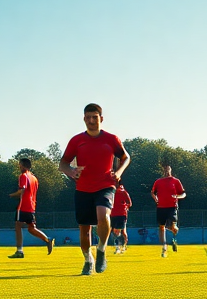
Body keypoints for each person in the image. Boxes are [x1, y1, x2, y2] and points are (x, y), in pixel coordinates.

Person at [60, 103, 131, 274]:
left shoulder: (111, 139)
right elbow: (63, 163)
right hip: (83, 188)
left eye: (95, 117)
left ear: (101, 119)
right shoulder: (76, 141)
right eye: (88, 118)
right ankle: (88, 260)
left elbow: (125, 157)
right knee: (84, 230)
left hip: (105, 185)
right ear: (84, 119)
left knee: (103, 214)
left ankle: (101, 249)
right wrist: (71, 171)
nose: (91, 121)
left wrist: (119, 172)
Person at [8, 157, 54, 258]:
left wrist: (11, 195)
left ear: (23, 165)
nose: (19, 166)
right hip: (32, 206)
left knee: (18, 225)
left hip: (23, 205)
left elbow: (22, 190)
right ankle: (47, 239)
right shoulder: (34, 178)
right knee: (31, 228)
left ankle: (19, 251)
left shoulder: (23, 176)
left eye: (20, 164)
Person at [151, 163, 186, 257]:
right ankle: (164, 248)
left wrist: (177, 196)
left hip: (172, 207)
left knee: (172, 227)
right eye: (165, 169)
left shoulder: (175, 181)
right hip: (161, 207)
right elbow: (153, 192)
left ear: (170, 170)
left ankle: (174, 236)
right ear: (163, 171)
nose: (166, 171)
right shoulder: (158, 181)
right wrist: (156, 198)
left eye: (168, 169)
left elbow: (183, 194)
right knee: (161, 227)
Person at [110, 183, 132, 254]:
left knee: (119, 231)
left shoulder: (123, 192)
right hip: (113, 214)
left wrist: (125, 208)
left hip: (121, 214)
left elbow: (129, 203)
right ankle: (119, 246)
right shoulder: (110, 191)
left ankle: (121, 246)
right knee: (115, 231)